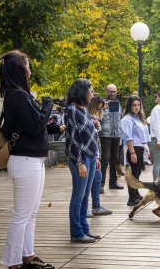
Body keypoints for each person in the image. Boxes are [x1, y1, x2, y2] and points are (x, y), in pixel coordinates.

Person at [0, 50, 57, 269]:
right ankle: (13, 263)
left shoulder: (17, 95)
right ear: (19, 69)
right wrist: (47, 106)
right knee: (22, 216)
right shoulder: (18, 96)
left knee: (30, 214)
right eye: (27, 65)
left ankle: (27, 258)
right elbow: (34, 127)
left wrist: (46, 116)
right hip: (25, 161)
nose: (30, 70)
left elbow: (30, 126)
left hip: (31, 161)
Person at [65, 78, 101, 243]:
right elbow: (73, 139)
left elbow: (92, 135)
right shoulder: (71, 109)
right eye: (91, 91)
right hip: (80, 158)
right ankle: (76, 232)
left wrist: (97, 155)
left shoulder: (84, 109)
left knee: (85, 195)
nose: (92, 94)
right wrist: (79, 162)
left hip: (92, 157)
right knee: (78, 196)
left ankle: (85, 229)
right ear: (82, 91)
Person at [119, 95, 151, 206]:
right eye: (134, 105)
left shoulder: (138, 117)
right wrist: (132, 152)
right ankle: (131, 198)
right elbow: (128, 137)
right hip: (133, 147)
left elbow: (144, 134)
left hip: (140, 147)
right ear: (129, 106)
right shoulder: (127, 119)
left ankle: (136, 194)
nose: (136, 107)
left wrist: (146, 148)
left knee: (137, 174)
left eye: (138, 105)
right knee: (132, 175)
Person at [87, 95, 112, 217]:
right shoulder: (86, 117)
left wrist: (97, 156)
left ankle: (96, 206)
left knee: (97, 177)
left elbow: (96, 136)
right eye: (97, 108)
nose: (99, 111)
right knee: (86, 183)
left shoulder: (96, 117)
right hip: (88, 153)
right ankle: (85, 208)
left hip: (95, 152)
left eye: (101, 109)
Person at [99, 84, 124, 191]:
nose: (112, 93)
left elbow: (120, 119)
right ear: (106, 91)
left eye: (114, 91)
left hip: (116, 135)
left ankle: (113, 182)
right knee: (105, 158)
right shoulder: (101, 104)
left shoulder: (118, 105)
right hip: (105, 134)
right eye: (110, 91)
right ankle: (100, 184)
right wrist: (102, 108)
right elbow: (95, 117)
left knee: (115, 159)